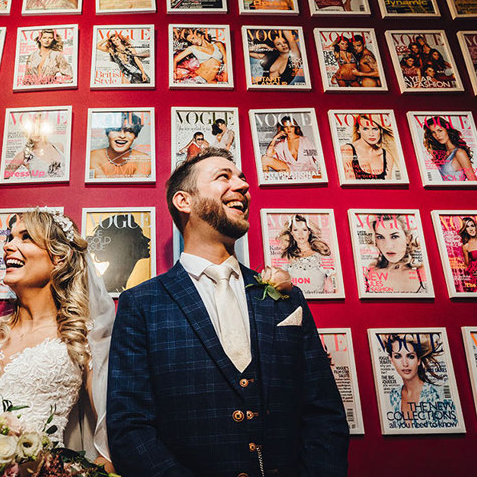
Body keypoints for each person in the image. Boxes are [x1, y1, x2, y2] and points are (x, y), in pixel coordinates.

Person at [107, 148, 349, 477]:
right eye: (224, 176)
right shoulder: (141, 304)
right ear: (184, 201)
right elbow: (130, 428)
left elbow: (325, 414)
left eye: (243, 178)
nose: (242, 186)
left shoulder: (287, 300)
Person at [0, 209, 115, 469]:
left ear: (60, 257)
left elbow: (111, 437)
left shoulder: (80, 335)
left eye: (25, 238)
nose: (8, 246)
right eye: (9, 237)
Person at [384, 334, 456, 429]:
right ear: (391, 360)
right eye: (398, 356)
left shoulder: (439, 394)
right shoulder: (394, 395)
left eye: (410, 356)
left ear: (418, 360)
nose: (405, 364)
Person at [85, 213, 151, 294]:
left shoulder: (112, 286)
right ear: (127, 243)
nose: (148, 239)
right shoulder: (106, 287)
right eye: (140, 236)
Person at [364, 214, 426, 294]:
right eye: (380, 237)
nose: (388, 246)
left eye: (394, 237)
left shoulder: (423, 274)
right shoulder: (366, 276)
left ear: (408, 238)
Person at [277, 214, 335, 295]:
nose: (300, 234)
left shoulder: (321, 253)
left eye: (304, 230)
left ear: (309, 231)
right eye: (296, 230)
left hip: (320, 301)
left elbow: (334, 278)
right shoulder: (286, 256)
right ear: (291, 233)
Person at [89, 112, 151, 178]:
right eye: (116, 130)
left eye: (129, 131)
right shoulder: (92, 157)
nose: (122, 136)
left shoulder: (145, 159)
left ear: (135, 136)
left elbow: (136, 188)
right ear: (107, 133)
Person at [4, 113, 65, 179]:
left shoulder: (59, 146)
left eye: (39, 127)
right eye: (32, 129)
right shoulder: (24, 155)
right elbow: (3, 177)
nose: (36, 133)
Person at [341, 114, 396, 181]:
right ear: (358, 130)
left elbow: (388, 185)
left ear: (381, 130)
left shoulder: (387, 155)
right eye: (365, 129)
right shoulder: (347, 150)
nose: (371, 134)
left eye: (375, 129)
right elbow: (350, 185)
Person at [422, 116, 476, 181]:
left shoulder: (459, 153)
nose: (437, 135)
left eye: (440, 130)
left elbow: (473, 180)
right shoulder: (443, 154)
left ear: (447, 130)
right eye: (433, 132)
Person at [460, 216, 477, 288]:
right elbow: (467, 266)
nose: (471, 229)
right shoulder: (465, 246)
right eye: (467, 226)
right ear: (465, 230)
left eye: (472, 226)